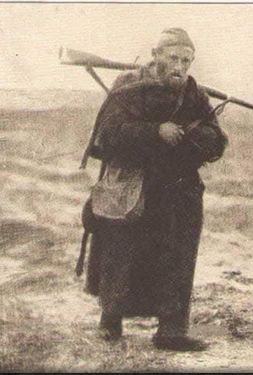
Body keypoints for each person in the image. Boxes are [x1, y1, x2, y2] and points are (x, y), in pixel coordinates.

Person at [83, 28, 227, 351]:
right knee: (121, 254)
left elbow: (217, 140)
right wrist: (155, 132)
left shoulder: (194, 95)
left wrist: (193, 137)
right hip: (133, 187)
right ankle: (110, 323)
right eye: (173, 57)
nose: (180, 66)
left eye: (186, 60)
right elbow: (107, 134)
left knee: (177, 257)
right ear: (156, 54)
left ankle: (171, 332)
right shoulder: (129, 88)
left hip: (178, 191)